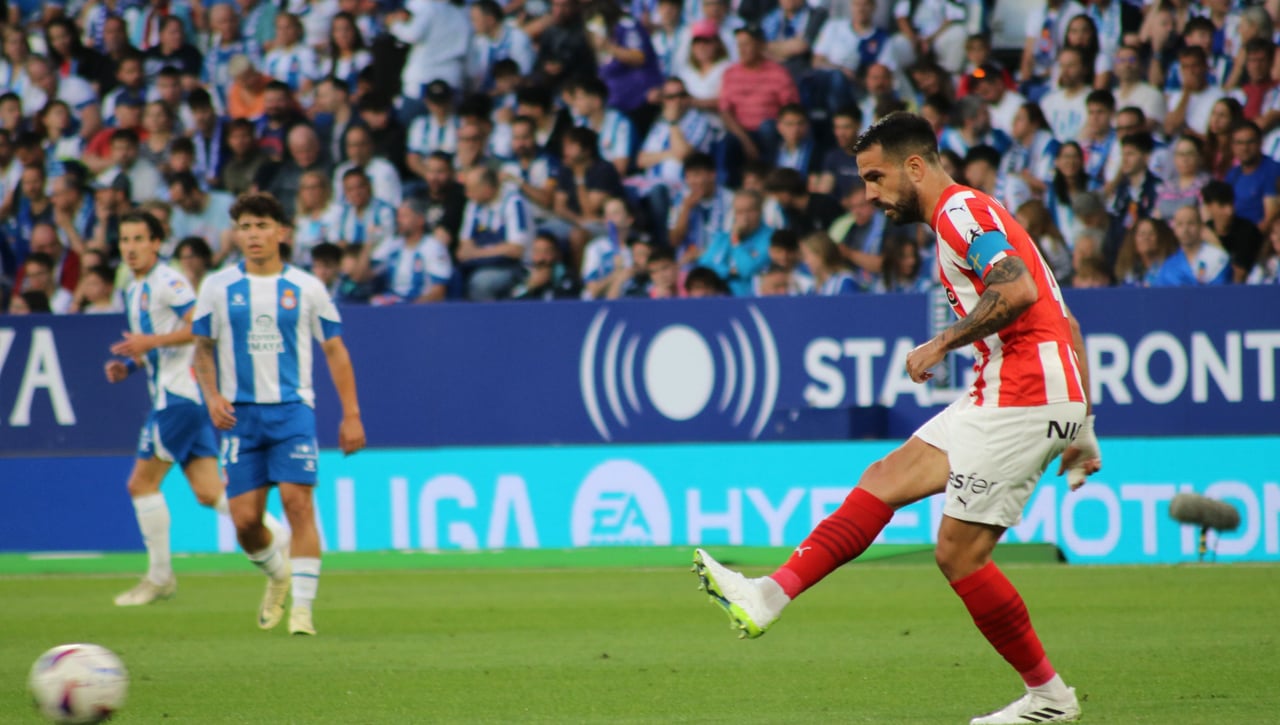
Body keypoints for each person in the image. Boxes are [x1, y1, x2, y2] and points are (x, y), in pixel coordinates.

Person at [693, 113, 1102, 725]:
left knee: (959, 556)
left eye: (875, 177)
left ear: (915, 166)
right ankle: (767, 596)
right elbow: (1064, 323)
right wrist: (1082, 423)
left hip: (1022, 392)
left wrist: (942, 343)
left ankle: (1049, 698)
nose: (868, 194)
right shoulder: (975, 214)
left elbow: (1016, 292)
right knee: (884, 479)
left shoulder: (962, 214)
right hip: (1018, 389)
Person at [192, 192, 366, 636]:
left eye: (262, 226)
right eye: (246, 226)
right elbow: (203, 348)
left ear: (282, 232)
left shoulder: (307, 288)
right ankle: (278, 575)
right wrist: (211, 396)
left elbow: (335, 350)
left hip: (292, 412)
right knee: (246, 521)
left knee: (298, 504)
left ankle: (304, 612)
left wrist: (351, 415)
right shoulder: (217, 286)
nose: (253, 235)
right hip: (240, 417)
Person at [105, 211, 279, 606]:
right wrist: (131, 365)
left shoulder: (168, 281)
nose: (130, 248)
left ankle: (160, 577)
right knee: (208, 492)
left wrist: (147, 342)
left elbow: (201, 327)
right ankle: (279, 539)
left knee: (141, 484)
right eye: (124, 240)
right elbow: (159, 345)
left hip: (179, 398)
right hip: (182, 396)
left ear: (156, 243)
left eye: (138, 239)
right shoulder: (134, 289)